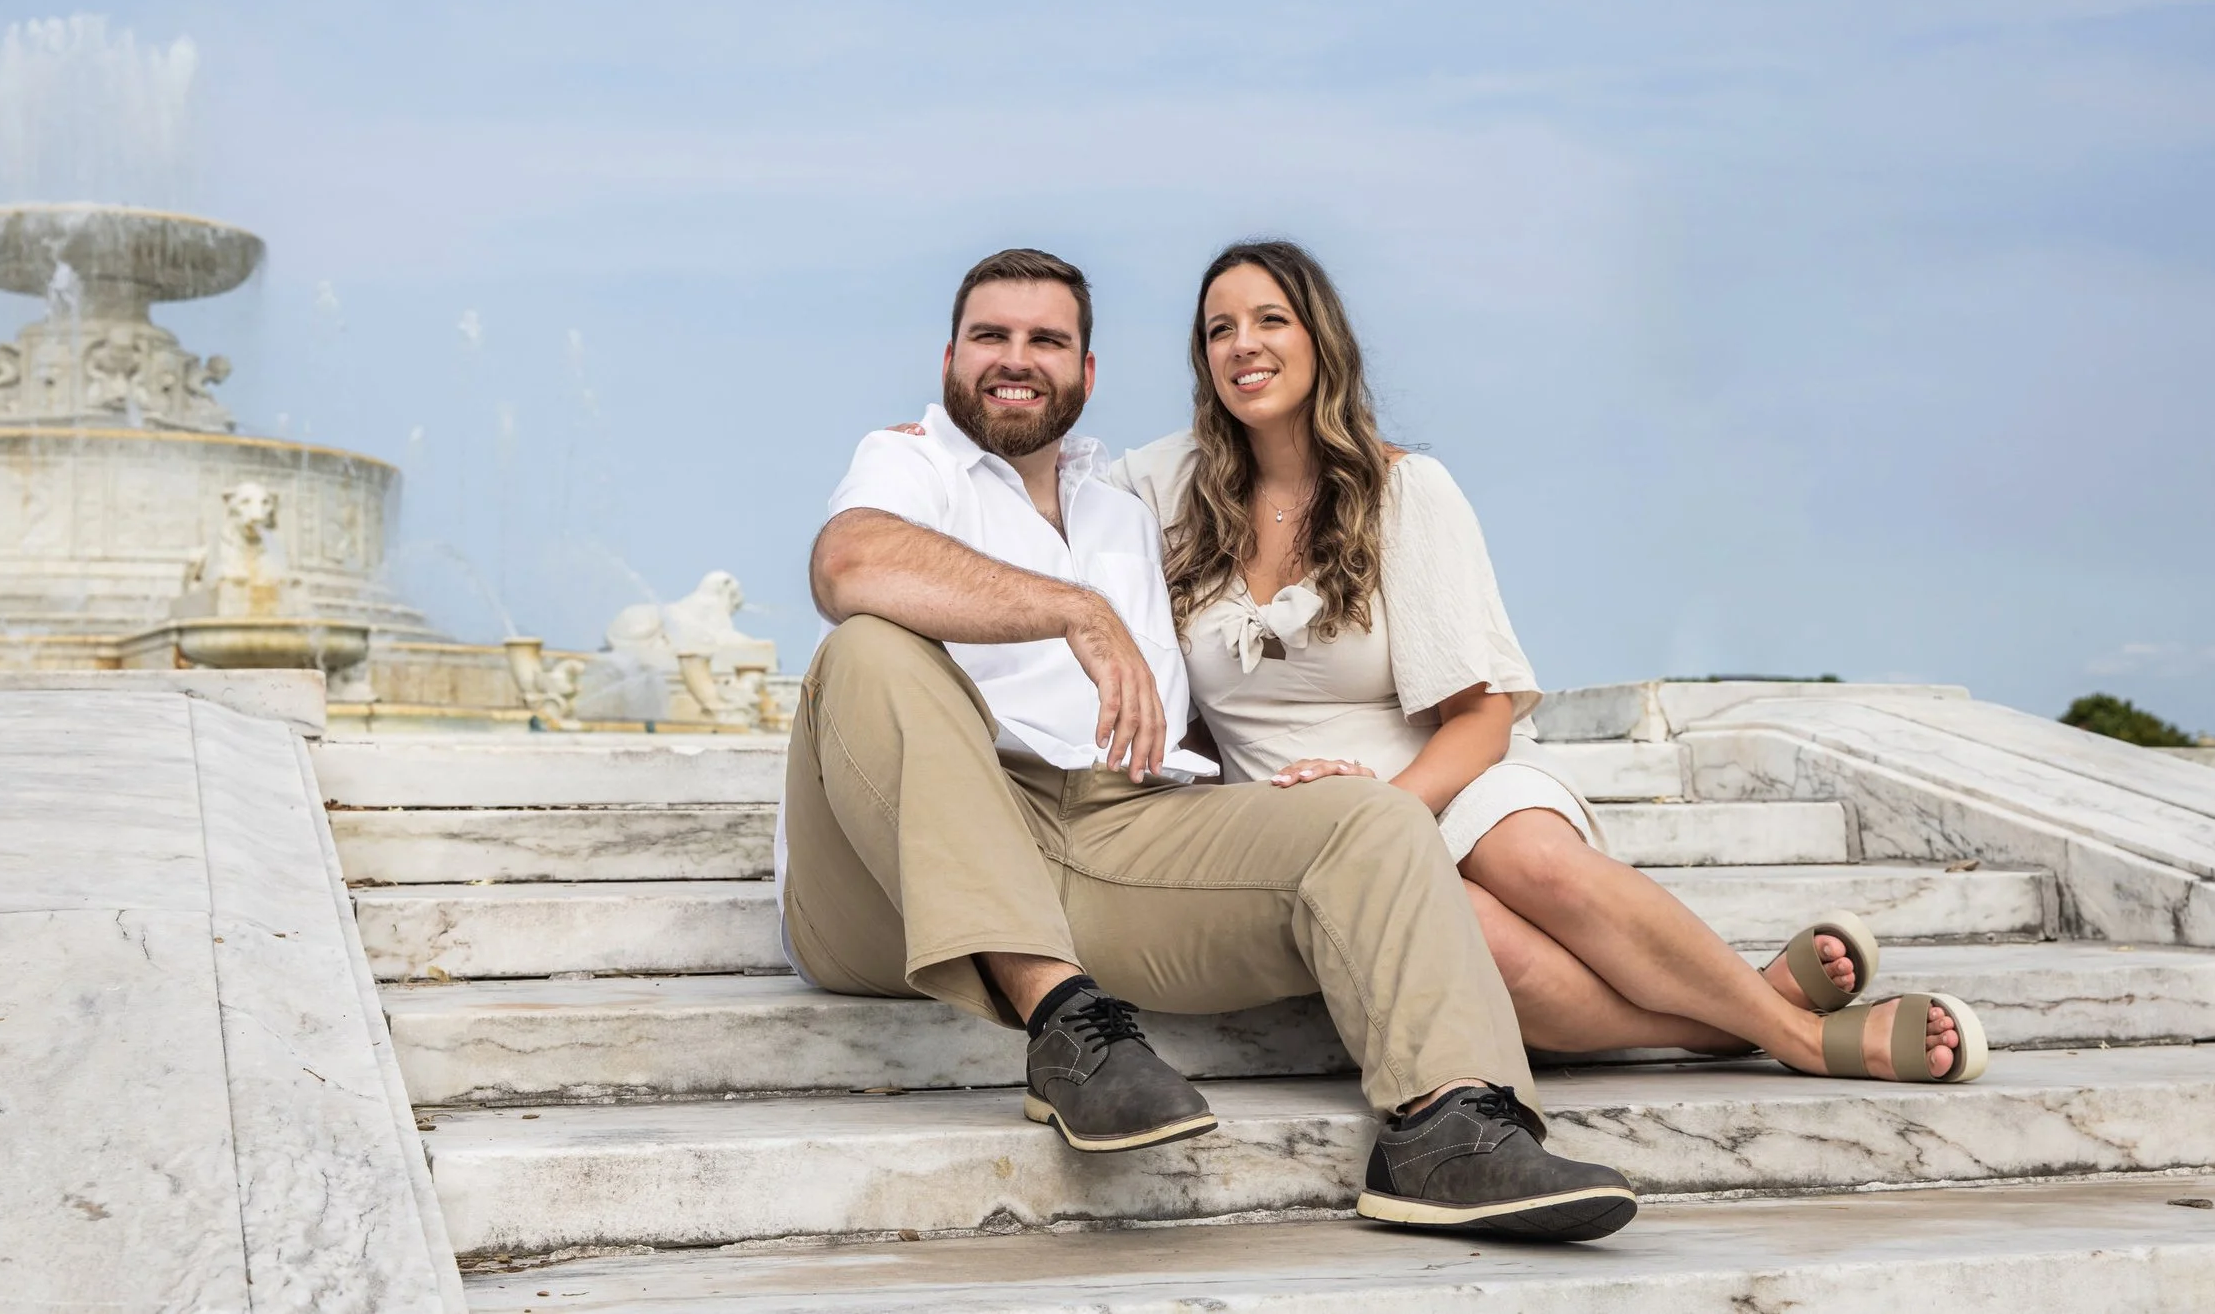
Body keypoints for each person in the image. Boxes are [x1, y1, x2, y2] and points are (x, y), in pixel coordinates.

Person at [785, 247, 1638, 1240]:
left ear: (1087, 372)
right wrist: (1074, 612)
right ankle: (1065, 1024)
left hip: (1104, 832)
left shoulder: (1121, 505)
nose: (1015, 360)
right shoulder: (908, 462)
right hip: (897, 867)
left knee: (1366, 817)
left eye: (1046, 340)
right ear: (947, 358)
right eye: (990, 336)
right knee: (871, 646)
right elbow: (847, 563)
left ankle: (1446, 1129)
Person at [1108, 239, 1989, 1087]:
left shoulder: (1406, 491)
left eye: (1270, 319)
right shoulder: (1170, 489)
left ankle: (1798, 1039)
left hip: (1443, 770)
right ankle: (1750, 1013)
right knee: (1482, 942)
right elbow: (1049, 484)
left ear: (1320, 340)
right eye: (1219, 329)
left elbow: (1482, 715)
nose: (1243, 345)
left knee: (1538, 861)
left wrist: (1391, 808)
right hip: (1303, 817)